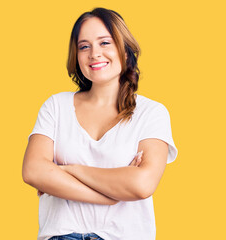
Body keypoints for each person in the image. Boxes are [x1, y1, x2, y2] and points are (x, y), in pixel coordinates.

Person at [22, 7, 178, 240]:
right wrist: (111, 195)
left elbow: (142, 184)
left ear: (125, 51)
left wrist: (66, 170)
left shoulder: (152, 113)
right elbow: (33, 170)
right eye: (84, 46)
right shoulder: (56, 106)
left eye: (105, 43)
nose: (94, 54)